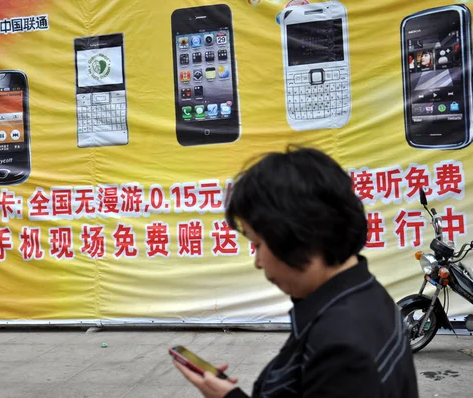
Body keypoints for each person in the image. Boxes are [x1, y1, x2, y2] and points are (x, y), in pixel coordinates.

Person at [172, 146, 419, 398]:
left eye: (257, 244)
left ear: (298, 235)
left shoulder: (342, 350)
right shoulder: (364, 295)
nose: (258, 262)